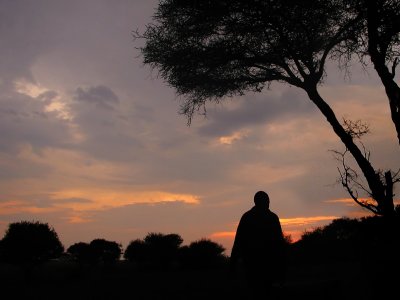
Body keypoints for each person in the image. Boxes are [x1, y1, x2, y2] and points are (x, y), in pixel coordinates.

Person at [230, 191, 286, 298]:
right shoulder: (270, 218)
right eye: (266, 201)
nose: (268, 203)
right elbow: (280, 244)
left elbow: (238, 242)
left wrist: (232, 265)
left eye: (268, 201)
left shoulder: (249, 217)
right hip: (256, 264)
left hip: (260, 264)